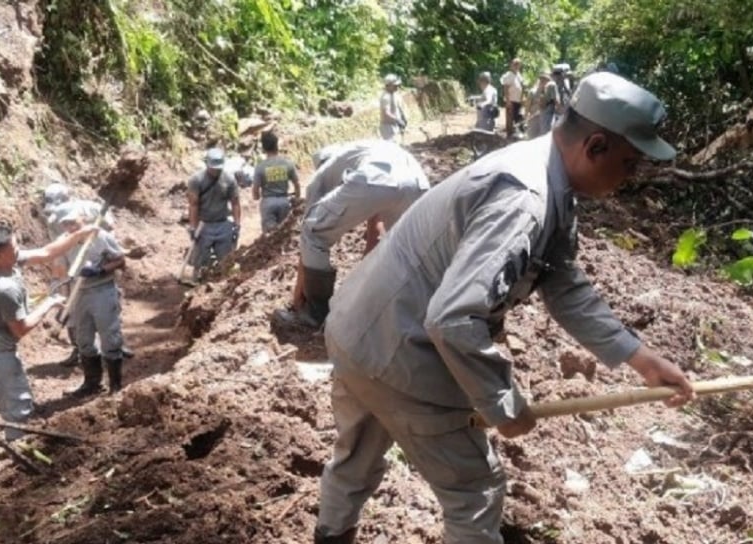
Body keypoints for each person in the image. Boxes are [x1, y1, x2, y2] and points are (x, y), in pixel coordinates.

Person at [313, 72, 695, 544]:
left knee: (355, 461)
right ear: (596, 146)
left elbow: (562, 283)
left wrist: (640, 358)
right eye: (629, 163)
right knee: (475, 491)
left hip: (356, 330)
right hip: (400, 350)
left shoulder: (544, 170)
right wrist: (503, 402)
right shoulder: (525, 198)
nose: (630, 177)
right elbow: (454, 318)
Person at [0, 222, 99, 475]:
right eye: (14, 248)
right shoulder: (6, 289)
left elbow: (47, 253)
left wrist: (78, 235)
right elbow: (20, 330)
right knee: (18, 413)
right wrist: (49, 304)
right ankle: (17, 478)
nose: (19, 249)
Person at [274, 139, 429, 329]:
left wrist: (297, 299)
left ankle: (315, 315)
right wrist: (364, 279)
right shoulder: (363, 154)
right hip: (419, 183)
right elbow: (376, 233)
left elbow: (310, 236)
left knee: (314, 233)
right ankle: (414, 314)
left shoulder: (323, 175)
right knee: (407, 248)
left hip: (375, 180)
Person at [40, 183, 127, 367]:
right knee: (71, 310)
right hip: (71, 261)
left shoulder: (91, 208)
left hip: (97, 255)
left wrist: (100, 245)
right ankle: (79, 349)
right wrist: (61, 283)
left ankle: (116, 344)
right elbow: (58, 254)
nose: (66, 225)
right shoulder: (53, 220)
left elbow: (111, 230)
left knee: (108, 305)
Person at [57, 205, 128, 397]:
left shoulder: (100, 236)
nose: (70, 227)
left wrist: (100, 270)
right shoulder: (64, 242)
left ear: (83, 219)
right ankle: (92, 384)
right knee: (83, 340)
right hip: (79, 294)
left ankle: (115, 386)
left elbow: (121, 260)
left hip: (102, 290)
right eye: (65, 223)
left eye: (73, 222)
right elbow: (63, 274)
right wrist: (65, 303)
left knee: (109, 337)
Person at [186, 147, 242, 278]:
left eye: (218, 168)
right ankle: (197, 278)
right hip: (203, 225)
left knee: (226, 260)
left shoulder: (229, 180)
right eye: (213, 168)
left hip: (222, 223)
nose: (216, 171)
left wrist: (237, 224)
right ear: (207, 164)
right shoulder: (196, 180)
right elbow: (193, 205)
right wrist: (193, 227)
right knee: (200, 259)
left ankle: (222, 280)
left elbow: (235, 203)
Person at [252, 131, 301, 233]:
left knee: (270, 236)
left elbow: (255, 190)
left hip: (268, 203)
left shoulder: (260, 167)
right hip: (284, 202)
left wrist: (257, 196)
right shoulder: (288, 164)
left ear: (264, 148)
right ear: (276, 146)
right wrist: (297, 198)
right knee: (284, 233)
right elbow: (297, 184)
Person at [499, 58, 524, 138]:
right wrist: (508, 101)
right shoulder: (509, 75)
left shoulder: (518, 75)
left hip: (517, 100)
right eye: (515, 64)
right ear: (511, 65)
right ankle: (509, 136)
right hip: (511, 100)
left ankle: (516, 133)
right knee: (510, 118)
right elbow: (506, 88)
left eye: (518, 64)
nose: (516, 66)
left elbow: (521, 86)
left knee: (517, 117)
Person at [378, 74, 407, 142]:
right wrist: (397, 120)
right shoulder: (385, 97)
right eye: (395, 85)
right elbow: (386, 113)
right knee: (390, 146)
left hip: (395, 125)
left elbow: (398, 107)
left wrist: (403, 117)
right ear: (388, 85)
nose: (397, 87)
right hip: (387, 127)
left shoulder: (394, 94)